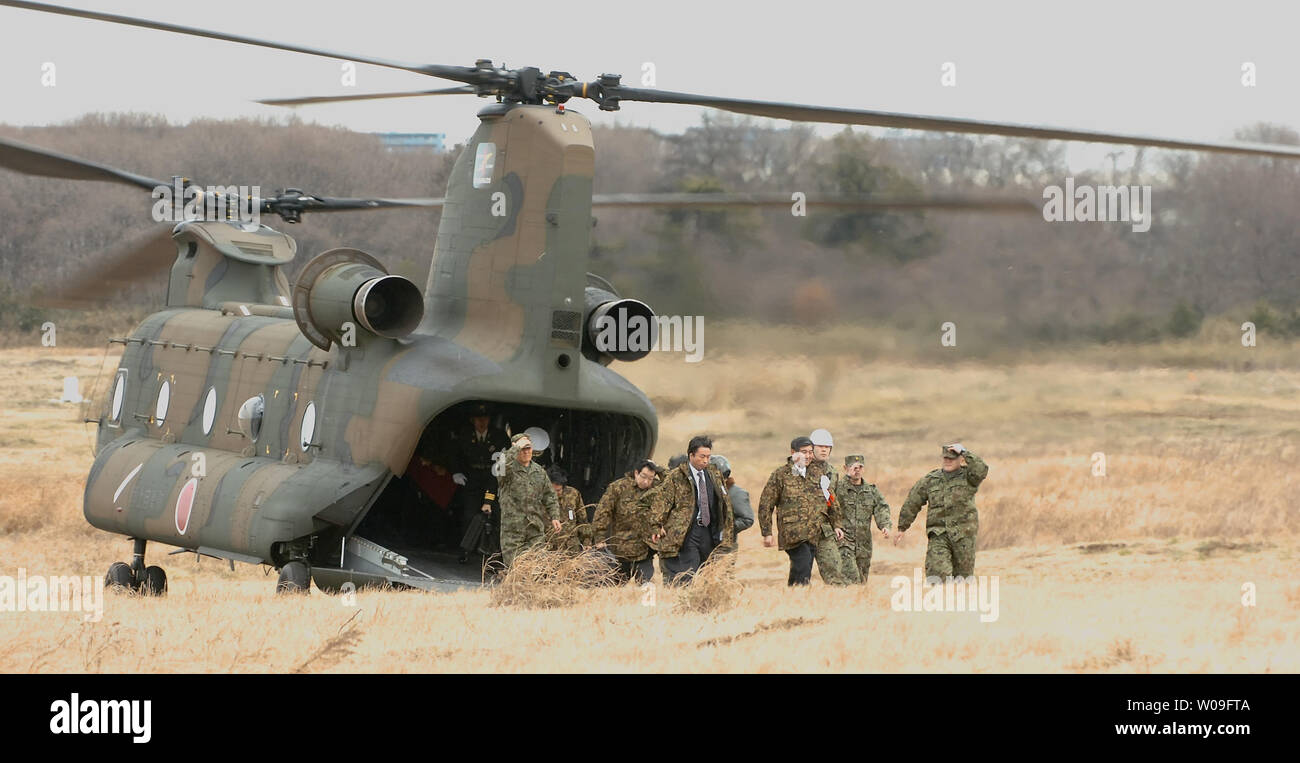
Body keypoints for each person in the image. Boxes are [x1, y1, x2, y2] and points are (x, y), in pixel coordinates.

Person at [643, 436, 734, 585]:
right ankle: (685, 599)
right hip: (687, 530)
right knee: (688, 571)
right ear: (691, 455)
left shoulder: (714, 473)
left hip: (710, 530)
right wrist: (655, 525)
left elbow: (723, 502)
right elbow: (662, 502)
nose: (705, 461)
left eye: (708, 457)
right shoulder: (677, 477)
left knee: (709, 571)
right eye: (702, 457)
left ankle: (704, 602)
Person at [757, 436, 844, 586]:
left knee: (802, 568)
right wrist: (767, 533)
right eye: (804, 452)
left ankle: (794, 596)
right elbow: (766, 504)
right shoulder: (781, 475)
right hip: (793, 532)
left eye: (810, 452)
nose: (808, 456)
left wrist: (837, 524)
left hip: (814, 532)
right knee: (802, 563)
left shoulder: (818, 474)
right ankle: (800, 593)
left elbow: (831, 500)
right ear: (793, 452)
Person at [895, 443, 988, 580]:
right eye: (945, 458)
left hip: (964, 535)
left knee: (963, 580)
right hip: (939, 534)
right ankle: (939, 599)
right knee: (937, 575)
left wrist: (964, 452)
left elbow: (982, 469)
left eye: (951, 458)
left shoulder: (969, 477)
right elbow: (913, 502)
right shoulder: (931, 480)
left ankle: (959, 600)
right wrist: (902, 527)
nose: (947, 461)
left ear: (960, 459)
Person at [449, 403, 510, 564]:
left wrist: (490, 497)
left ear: (489, 419)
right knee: (469, 515)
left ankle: (496, 553)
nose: (481, 422)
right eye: (478, 419)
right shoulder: (464, 435)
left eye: (484, 418)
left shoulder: (499, 436)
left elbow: (502, 462)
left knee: (497, 515)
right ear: (472, 420)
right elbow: (455, 455)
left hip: (493, 475)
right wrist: (455, 471)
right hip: (472, 477)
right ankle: (465, 550)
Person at [497, 433, 563, 568]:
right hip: (513, 530)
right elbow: (501, 469)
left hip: (534, 528)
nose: (526, 451)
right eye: (523, 448)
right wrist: (515, 449)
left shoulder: (539, 471)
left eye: (529, 448)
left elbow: (549, 496)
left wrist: (555, 516)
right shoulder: (507, 470)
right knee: (515, 568)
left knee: (536, 566)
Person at [591, 460, 661, 584]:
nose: (646, 482)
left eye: (650, 478)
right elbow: (603, 512)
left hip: (645, 550)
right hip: (621, 549)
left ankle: (644, 603)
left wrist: (658, 468)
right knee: (615, 585)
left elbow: (673, 482)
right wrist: (599, 537)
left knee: (646, 585)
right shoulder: (619, 487)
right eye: (643, 477)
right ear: (636, 473)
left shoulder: (656, 488)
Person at [834, 454, 892, 585]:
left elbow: (881, 508)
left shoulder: (870, 491)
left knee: (862, 581)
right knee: (852, 579)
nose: (857, 470)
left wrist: (885, 525)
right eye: (853, 467)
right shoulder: (838, 489)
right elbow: (829, 510)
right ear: (845, 468)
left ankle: (853, 603)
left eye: (860, 467)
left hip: (864, 544)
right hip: (844, 542)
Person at [808, 428, 848, 584]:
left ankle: (838, 602)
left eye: (827, 447)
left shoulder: (832, 472)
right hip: (804, 528)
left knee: (834, 568)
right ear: (812, 448)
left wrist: (837, 524)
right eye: (820, 446)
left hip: (825, 529)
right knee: (802, 572)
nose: (824, 450)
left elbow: (833, 501)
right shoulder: (801, 470)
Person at [709, 454, 753, 540]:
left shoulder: (736, 493)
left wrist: (724, 530)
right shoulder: (707, 490)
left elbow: (747, 519)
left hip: (724, 546)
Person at [548, 466, 590, 554]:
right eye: (553, 490)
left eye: (558, 490)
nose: (556, 493)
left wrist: (586, 541)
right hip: (549, 549)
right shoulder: (541, 497)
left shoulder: (573, 494)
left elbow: (582, 520)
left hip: (571, 549)